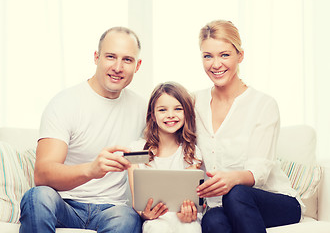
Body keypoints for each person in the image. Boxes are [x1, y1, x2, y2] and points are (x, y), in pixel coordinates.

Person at [19, 27, 146, 233]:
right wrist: (91, 170)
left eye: (127, 60)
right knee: (37, 196)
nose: (118, 67)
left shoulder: (143, 108)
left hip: (113, 209)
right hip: (66, 204)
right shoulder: (64, 103)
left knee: (127, 219)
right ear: (96, 57)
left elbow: (165, 150)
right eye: (110, 57)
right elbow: (42, 174)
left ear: (137, 65)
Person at [194, 20, 302, 233]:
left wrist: (231, 179)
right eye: (208, 56)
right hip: (220, 205)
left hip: (275, 201)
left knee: (236, 193)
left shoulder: (263, 104)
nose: (216, 64)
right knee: (212, 221)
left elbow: (259, 171)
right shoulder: (193, 102)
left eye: (224, 55)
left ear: (240, 56)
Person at [128, 82, 203, 233]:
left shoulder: (191, 152)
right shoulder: (137, 151)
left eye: (178, 109)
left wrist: (189, 213)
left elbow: (194, 198)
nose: (170, 115)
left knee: (191, 229)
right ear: (153, 116)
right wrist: (145, 214)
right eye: (162, 110)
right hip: (156, 220)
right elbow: (137, 200)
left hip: (185, 220)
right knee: (157, 229)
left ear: (186, 113)